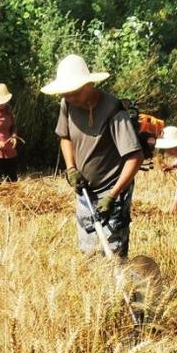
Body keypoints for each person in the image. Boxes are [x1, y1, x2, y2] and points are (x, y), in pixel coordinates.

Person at [43, 54, 144, 257]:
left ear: (89, 85)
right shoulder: (68, 104)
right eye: (65, 94)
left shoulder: (113, 110)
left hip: (112, 188)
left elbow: (135, 157)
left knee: (113, 248)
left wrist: (112, 196)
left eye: (75, 93)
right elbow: (65, 137)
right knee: (88, 248)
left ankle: (121, 287)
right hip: (85, 189)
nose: (70, 98)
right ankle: (96, 286)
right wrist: (71, 168)